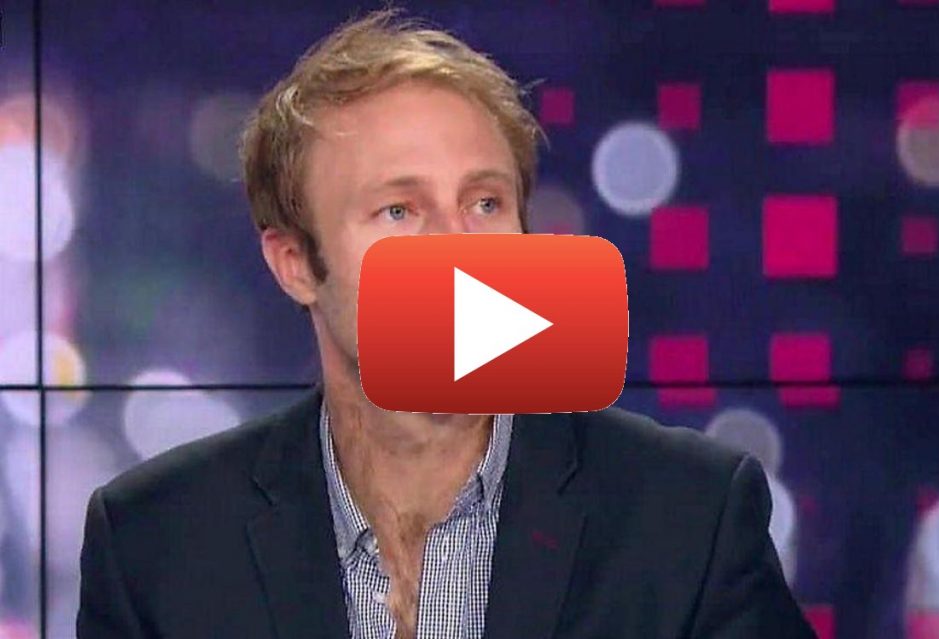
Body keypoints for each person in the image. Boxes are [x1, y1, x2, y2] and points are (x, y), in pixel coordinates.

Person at [77, 9, 814, 639]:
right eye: (399, 210)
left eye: (485, 203)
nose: (458, 247)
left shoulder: (691, 518)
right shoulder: (156, 543)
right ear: (295, 263)